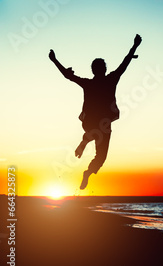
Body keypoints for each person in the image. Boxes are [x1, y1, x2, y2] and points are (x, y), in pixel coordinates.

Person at [49, 34, 142, 190]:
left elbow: (68, 76)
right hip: (100, 124)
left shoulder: (88, 83)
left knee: (101, 157)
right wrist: (134, 46)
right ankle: (85, 145)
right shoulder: (111, 79)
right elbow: (124, 64)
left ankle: (87, 169)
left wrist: (54, 60)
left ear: (93, 70)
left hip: (92, 125)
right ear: (103, 70)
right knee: (101, 157)